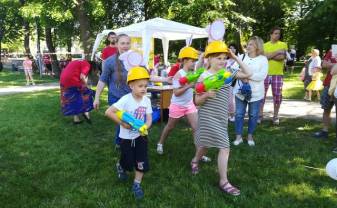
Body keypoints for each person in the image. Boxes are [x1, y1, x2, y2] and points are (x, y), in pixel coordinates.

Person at [190, 40, 252, 196]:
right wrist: (206, 95)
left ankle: (195, 160)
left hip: (221, 117)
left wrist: (236, 58)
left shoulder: (227, 74)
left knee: (206, 144)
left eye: (225, 58)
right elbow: (196, 101)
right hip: (207, 115)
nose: (223, 61)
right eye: (219, 58)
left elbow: (248, 73)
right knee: (224, 146)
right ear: (209, 59)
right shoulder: (203, 76)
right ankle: (224, 181)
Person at [105, 67, 152, 199]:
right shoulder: (125, 99)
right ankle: (121, 166)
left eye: (145, 86)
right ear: (131, 85)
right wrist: (123, 124)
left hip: (140, 137)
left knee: (141, 161)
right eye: (140, 86)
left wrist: (145, 127)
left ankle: (136, 184)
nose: (144, 89)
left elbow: (148, 118)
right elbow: (108, 112)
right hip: (125, 138)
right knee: (128, 161)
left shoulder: (146, 100)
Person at [156, 46, 210, 161]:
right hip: (177, 106)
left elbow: (200, 71)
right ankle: (160, 143)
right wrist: (189, 86)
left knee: (196, 128)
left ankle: (199, 154)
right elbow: (176, 93)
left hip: (189, 105)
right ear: (185, 60)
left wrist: (203, 60)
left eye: (194, 61)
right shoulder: (179, 75)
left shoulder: (192, 73)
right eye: (192, 61)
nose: (193, 63)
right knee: (170, 127)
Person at [94, 34, 132, 148]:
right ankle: (120, 143)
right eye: (122, 43)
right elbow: (102, 80)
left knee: (129, 121)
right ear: (117, 45)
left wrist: (164, 78)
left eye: (127, 43)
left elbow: (146, 75)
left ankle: (126, 141)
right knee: (122, 121)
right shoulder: (110, 61)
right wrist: (96, 98)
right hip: (116, 97)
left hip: (131, 96)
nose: (125, 46)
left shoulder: (135, 59)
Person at [232, 36, 268, 146]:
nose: (248, 46)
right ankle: (238, 137)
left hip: (256, 93)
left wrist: (247, 75)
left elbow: (262, 76)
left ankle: (250, 136)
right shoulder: (241, 57)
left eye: (251, 44)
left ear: (258, 46)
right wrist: (243, 76)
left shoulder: (263, 59)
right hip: (240, 91)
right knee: (238, 114)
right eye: (248, 44)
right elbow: (233, 71)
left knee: (253, 115)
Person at [260, 27, 288, 125]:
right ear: (271, 34)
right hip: (265, 74)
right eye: (275, 33)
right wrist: (276, 52)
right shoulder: (264, 45)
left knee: (277, 96)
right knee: (261, 95)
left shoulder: (283, 44)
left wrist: (269, 55)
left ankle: (275, 116)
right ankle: (260, 115)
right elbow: (264, 57)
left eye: (279, 34)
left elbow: (282, 57)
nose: (277, 35)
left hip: (278, 74)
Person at [313, 49, 337, 139]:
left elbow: (328, 65)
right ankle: (324, 131)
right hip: (328, 84)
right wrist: (334, 65)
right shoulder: (333, 50)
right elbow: (323, 64)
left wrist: (331, 65)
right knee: (326, 108)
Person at [226, 43, 240, 122]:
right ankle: (228, 115)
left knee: (233, 99)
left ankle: (233, 115)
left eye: (234, 48)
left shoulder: (238, 59)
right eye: (230, 48)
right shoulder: (225, 60)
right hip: (227, 82)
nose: (232, 50)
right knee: (228, 99)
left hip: (236, 82)